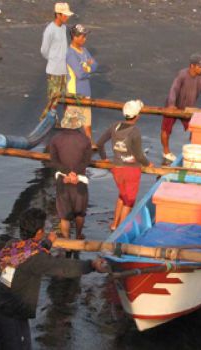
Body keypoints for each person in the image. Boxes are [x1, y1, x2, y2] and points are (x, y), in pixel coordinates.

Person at [0, 208, 107, 350]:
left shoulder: (13, 246)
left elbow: (33, 250)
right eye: (43, 229)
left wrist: (48, 243)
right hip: (13, 317)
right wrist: (91, 265)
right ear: (38, 233)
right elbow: (63, 267)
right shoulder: (35, 259)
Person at [96, 100, 153, 231]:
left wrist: (104, 158)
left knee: (122, 195)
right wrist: (148, 163)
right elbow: (139, 155)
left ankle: (114, 224)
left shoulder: (114, 126)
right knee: (129, 201)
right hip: (131, 170)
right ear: (137, 116)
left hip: (116, 168)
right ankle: (120, 230)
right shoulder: (135, 131)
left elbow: (99, 143)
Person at [47, 112, 92, 240]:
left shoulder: (55, 139)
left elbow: (54, 160)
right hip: (79, 180)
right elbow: (86, 161)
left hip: (63, 180)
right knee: (80, 213)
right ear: (77, 124)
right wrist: (75, 173)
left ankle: (66, 240)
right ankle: (78, 236)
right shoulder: (85, 140)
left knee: (64, 215)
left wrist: (67, 172)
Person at [161, 54, 201, 162]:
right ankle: (166, 152)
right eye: (199, 67)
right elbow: (173, 90)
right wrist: (171, 105)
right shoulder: (182, 75)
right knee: (166, 130)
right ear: (192, 66)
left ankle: (192, 150)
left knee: (194, 130)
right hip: (173, 106)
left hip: (187, 109)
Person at [64, 24, 98, 144]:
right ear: (74, 36)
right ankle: (67, 147)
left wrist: (87, 67)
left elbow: (95, 65)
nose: (85, 39)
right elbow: (80, 74)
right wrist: (88, 68)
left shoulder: (84, 50)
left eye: (85, 36)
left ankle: (89, 145)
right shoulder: (70, 53)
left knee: (87, 124)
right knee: (71, 126)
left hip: (86, 92)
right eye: (82, 36)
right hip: (74, 94)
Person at [41, 3, 73, 116]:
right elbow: (44, 50)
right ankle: (45, 121)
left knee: (66, 100)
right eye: (65, 15)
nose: (67, 17)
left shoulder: (63, 28)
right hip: (54, 71)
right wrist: (54, 59)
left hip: (64, 71)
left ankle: (66, 123)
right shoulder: (50, 30)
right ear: (58, 15)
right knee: (53, 101)